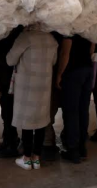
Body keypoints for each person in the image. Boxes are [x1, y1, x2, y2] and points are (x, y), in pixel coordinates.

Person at [6, 26, 59, 171]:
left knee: (27, 121)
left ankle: (27, 158)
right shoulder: (51, 38)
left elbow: (10, 60)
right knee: (40, 121)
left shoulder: (25, 37)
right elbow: (54, 61)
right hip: (44, 84)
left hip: (27, 86)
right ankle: (36, 158)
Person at [0, 26, 24, 158]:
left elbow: (7, 61)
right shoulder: (2, 35)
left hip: (10, 80)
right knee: (6, 113)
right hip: (2, 80)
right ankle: (8, 141)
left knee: (9, 113)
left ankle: (12, 144)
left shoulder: (13, 36)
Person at [56, 34, 95, 164]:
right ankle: (82, 148)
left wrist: (59, 74)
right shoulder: (87, 27)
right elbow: (91, 48)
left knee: (71, 111)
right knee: (83, 110)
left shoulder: (70, 29)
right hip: (87, 69)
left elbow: (65, 53)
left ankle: (72, 150)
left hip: (73, 71)